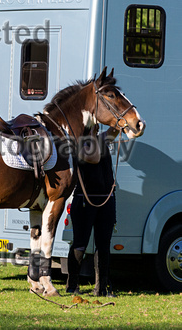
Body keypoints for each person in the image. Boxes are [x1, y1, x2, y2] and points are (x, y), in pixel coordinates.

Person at [66, 127, 119, 297]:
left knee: (104, 246)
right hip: (84, 201)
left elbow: (114, 132)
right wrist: (94, 136)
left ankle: (101, 288)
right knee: (80, 244)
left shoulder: (100, 139)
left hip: (106, 200)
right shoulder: (78, 145)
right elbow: (94, 158)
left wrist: (119, 120)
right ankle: (72, 285)